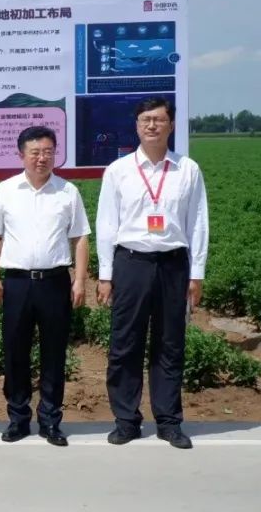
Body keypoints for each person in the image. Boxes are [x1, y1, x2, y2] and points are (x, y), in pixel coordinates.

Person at [96, 97, 208, 449]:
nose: (152, 125)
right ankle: (126, 420)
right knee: (125, 343)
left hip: (173, 265)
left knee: (169, 344)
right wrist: (105, 275)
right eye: (146, 119)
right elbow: (106, 224)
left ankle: (169, 421)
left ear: (171, 125)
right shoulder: (119, 170)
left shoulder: (187, 169)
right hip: (131, 263)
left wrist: (197, 273)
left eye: (159, 119)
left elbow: (198, 223)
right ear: (137, 125)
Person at [0, 126, 89, 447]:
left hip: (55, 282)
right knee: (15, 351)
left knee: (54, 352)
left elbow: (80, 237)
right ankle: (18, 418)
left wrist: (80, 280)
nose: (42, 158)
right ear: (21, 155)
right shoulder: (6, 190)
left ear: (55, 154)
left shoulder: (67, 192)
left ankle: (51, 420)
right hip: (17, 282)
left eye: (48, 152)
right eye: (35, 152)